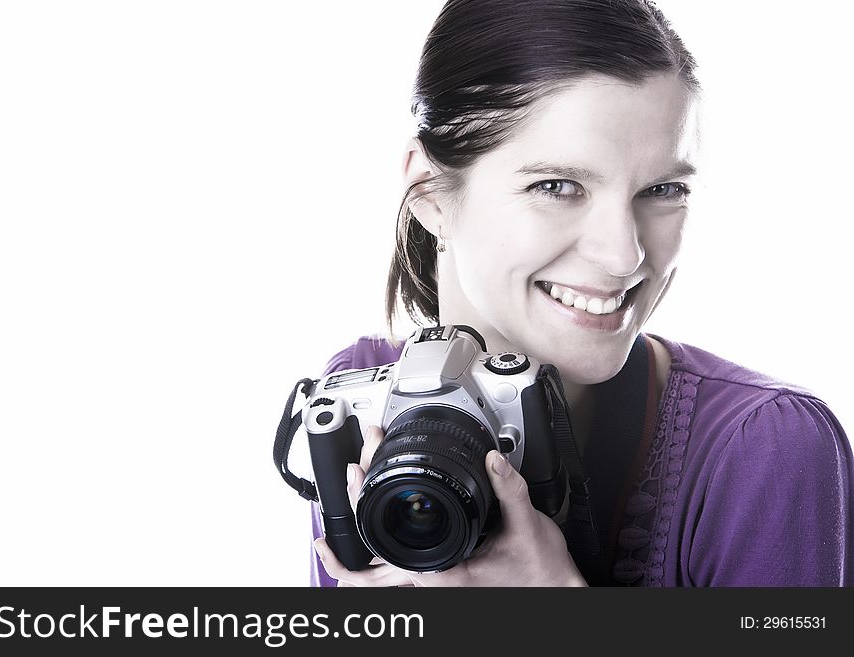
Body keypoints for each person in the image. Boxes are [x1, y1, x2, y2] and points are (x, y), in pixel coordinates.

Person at [308, 0, 853, 586]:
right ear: (430, 192)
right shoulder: (358, 410)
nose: (626, 256)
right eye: (558, 185)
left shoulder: (765, 450)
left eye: (663, 188)